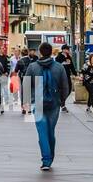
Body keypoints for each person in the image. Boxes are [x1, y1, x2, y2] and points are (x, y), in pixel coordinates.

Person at [24, 42, 70, 171]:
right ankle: (50, 156)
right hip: (54, 102)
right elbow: (65, 86)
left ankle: (46, 160)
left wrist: (26, 102)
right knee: (50, 131)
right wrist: (62, 100)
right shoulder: (59, 67)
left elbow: (26, 85)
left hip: (38, 102)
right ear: (51, 52)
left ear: (40, 52)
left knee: (42, 131)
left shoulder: (32, 67)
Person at [56, 47, 75, 113]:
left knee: (69, 89)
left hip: (67, 75)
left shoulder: (69, 57)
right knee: (63, 89)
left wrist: (75, 74)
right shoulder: (58, 57)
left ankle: (61, 101)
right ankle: (63, 105)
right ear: (63, 50)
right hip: (61, 76)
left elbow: (72, 66)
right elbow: (57, 66)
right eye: (67, 49)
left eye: (68, 49)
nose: (68, 50)